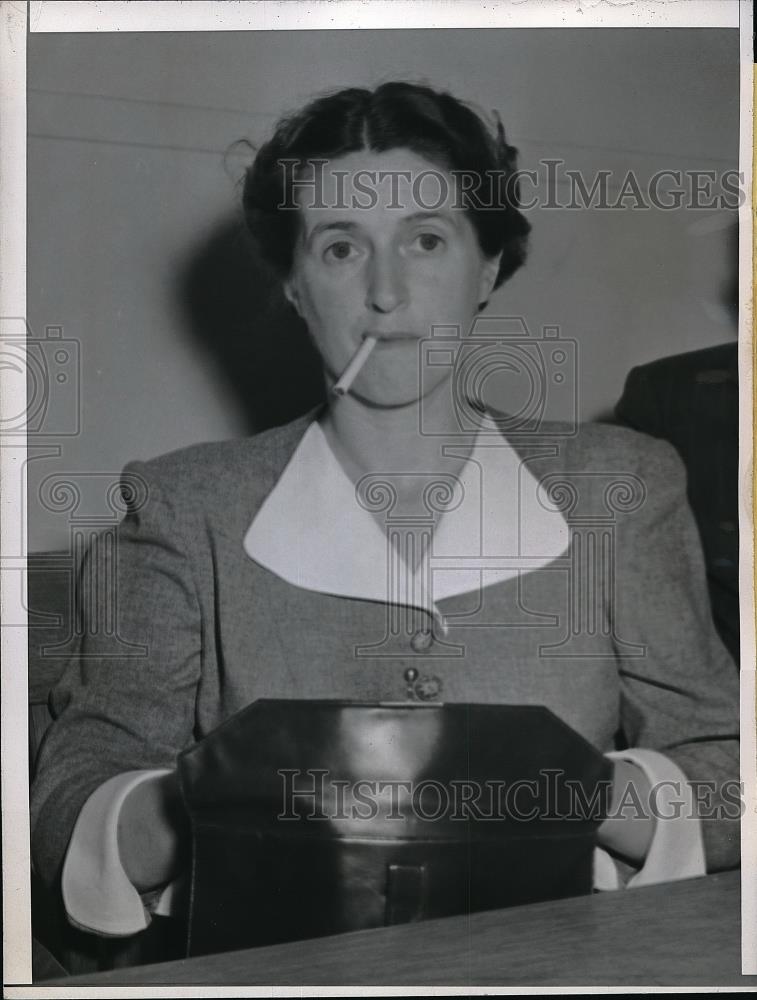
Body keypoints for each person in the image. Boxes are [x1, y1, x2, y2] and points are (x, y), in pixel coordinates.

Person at [31, 82, 740, 954]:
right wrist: (200, 800)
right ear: (293, 284)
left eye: (427, 241)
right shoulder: (185, 507)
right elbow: (68, 796)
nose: (386, 292)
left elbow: (731, 775)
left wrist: (569, 789)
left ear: (486, 267)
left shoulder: (619, 484)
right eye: (339, 249)